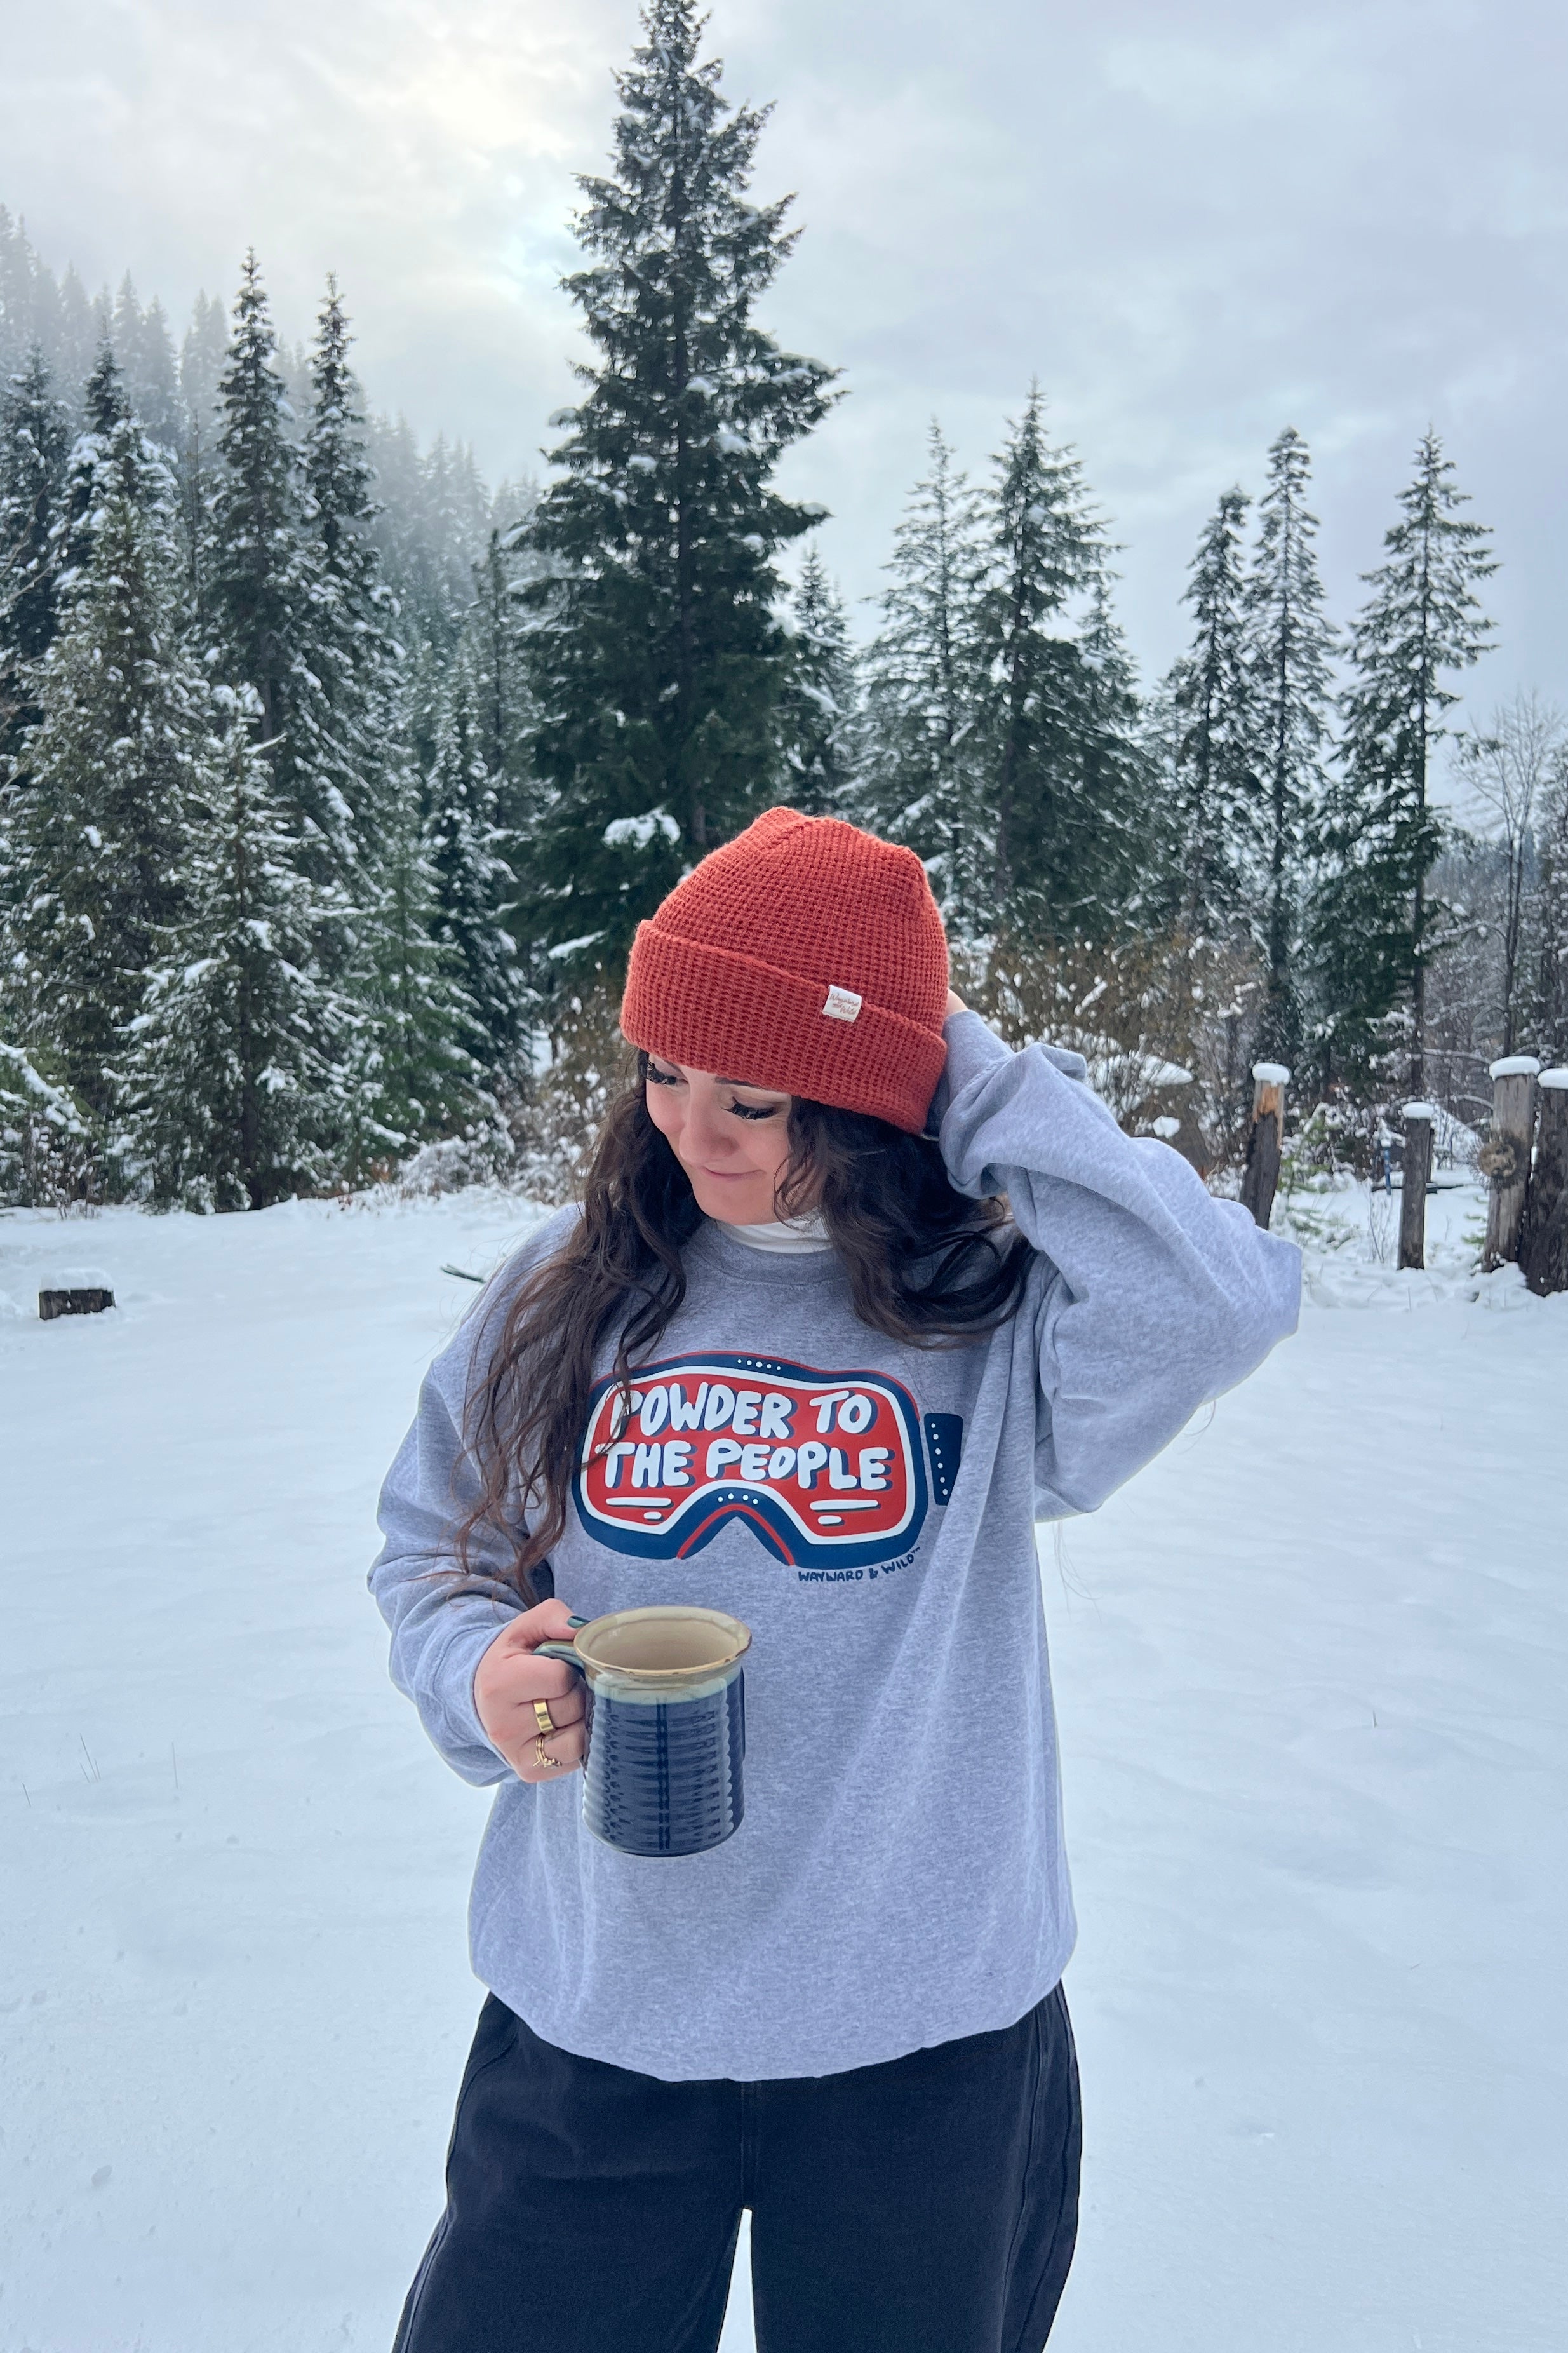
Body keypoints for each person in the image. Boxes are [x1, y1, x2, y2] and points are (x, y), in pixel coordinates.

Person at [370, 806, 1300, 2353]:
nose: (694, 1129)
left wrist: (946, 1059)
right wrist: (474, 1669)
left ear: (875, 1103)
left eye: (753, 1094)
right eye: (663, 1070)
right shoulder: (569, 1286)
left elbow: (1212, 1301)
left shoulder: (986, 1313)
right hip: (600, 2016)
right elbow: (435, 1543)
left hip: (922, 2045)